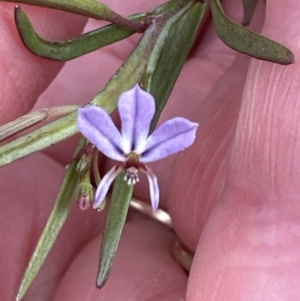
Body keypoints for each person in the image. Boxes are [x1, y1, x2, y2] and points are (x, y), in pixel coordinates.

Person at [1, 0, 299, 300]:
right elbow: (98, 117)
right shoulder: (112, 132)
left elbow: (97, 116)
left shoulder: (109, 129)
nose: (132, 165)